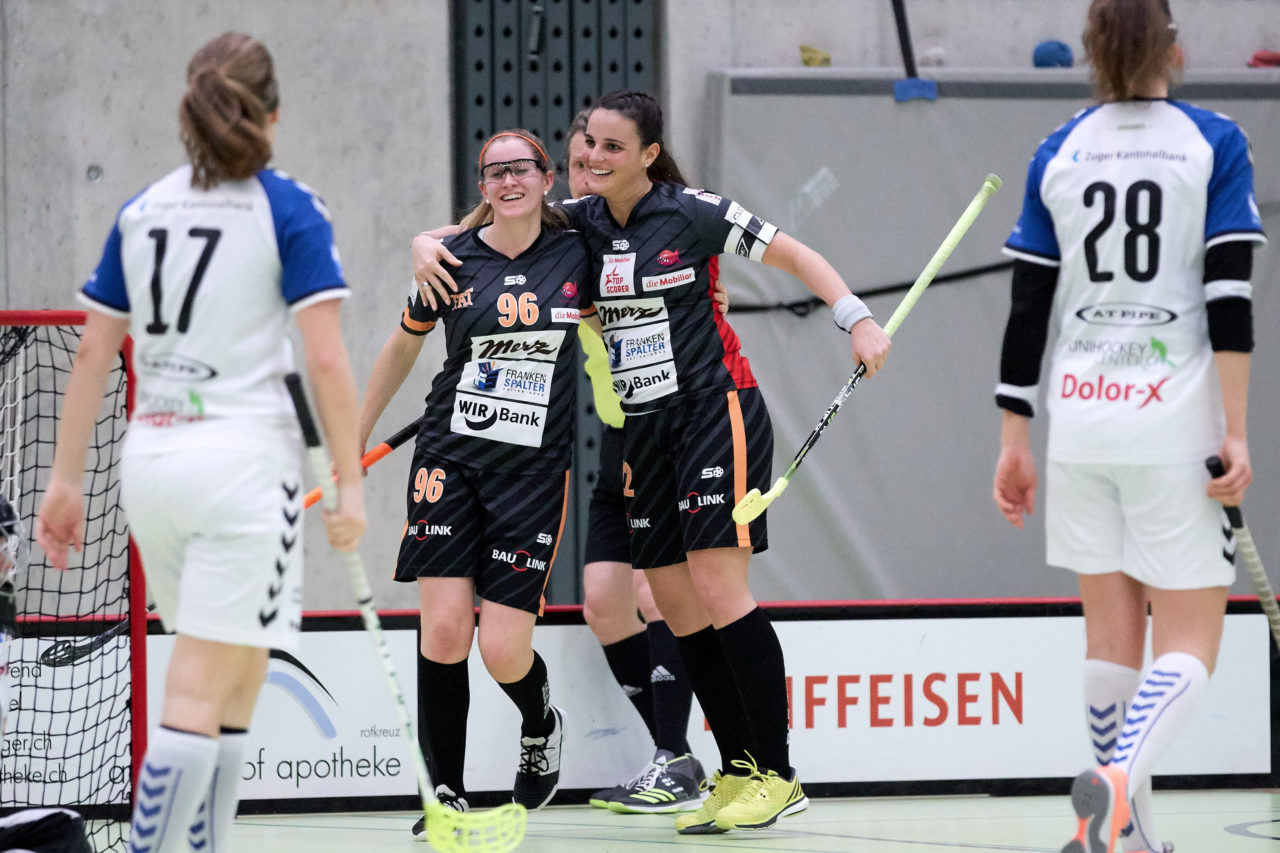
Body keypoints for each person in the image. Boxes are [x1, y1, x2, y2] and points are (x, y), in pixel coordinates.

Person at [414, 90, 892, 834]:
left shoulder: (692, 210)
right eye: (587, 147)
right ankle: (737, 772)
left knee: (718, 584)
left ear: (645, 153)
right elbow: (496, 225)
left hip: (715, 408)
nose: (594, 160)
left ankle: (780, 772)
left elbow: (794, 253)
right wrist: (424, 241)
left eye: (610, 147)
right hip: (645, 430)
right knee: (673, 601)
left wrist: (854, 318)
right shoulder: (583, 223)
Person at [35, 32, 365, 853]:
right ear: (274, 114)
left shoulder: (142, 209)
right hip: (242, 469)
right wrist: (351, 485)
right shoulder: (289, 206)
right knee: (195, 681)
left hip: (152, 466)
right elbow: (324, 355)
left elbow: (90, 351)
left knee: (236, 667)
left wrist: (66, 479)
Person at [992, 2, 1264, 852]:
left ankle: (1127, 837)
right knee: (1190, 642)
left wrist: (1012, 439)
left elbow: (1027, 306)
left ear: (1091, 54)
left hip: (1079, 425)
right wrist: (1237, 430)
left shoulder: (1060, 148)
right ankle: (1117, 782)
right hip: (1172, 425)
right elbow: (1228, 296)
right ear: (1174, 52)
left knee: (1110, 640)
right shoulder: (1213, 141)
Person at [358, 128, 592, 838]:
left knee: (502, 648)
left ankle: (539, 716)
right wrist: (353, 434)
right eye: (494, 173)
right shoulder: (450, 259)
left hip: (532, 472)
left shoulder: (579, 246)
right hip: (449, 456)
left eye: (521, 169)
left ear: (547, 178)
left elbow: (645, 242)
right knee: (447, 628)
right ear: (482, 186)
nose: (509, 181)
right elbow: (403, 343)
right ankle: (445, 792)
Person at [561, 111, 706, 814]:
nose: (583, 163)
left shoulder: (647, 236)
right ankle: (673, 753)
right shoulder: (570, 236)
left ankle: (673, 756)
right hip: (616, 438)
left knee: (657, 593)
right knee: (602, 601)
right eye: (576, 156)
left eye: (595, 151)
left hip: (667, 431)